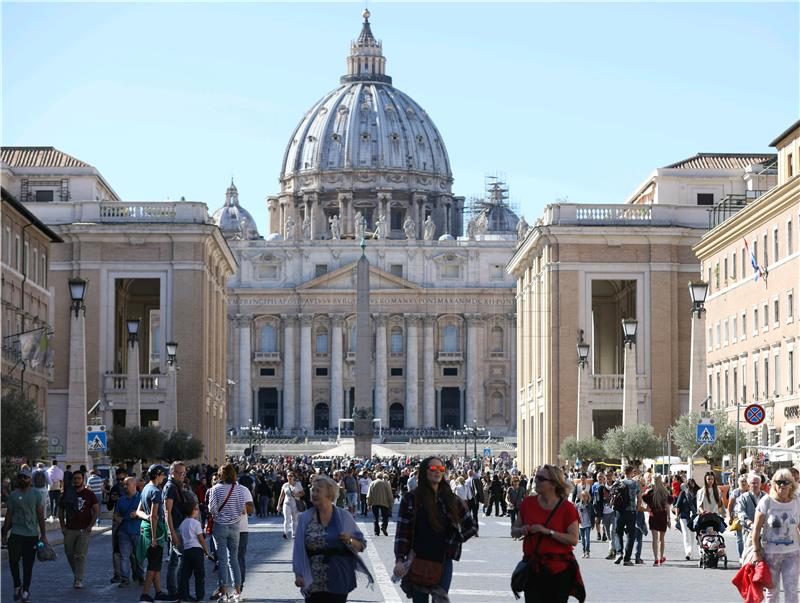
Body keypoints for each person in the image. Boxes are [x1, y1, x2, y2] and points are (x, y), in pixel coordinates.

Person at [393, 456, 477, 603]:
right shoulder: (410, 498)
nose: (438, 472)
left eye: (441, 469)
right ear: (424, 472)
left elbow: (471, 526)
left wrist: (455, 538)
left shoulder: (451, 499)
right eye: (433, 468)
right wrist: (400, 559)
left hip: (443, 561)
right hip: (418, 560)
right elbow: (402, 533)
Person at [293, 475, 374, 602]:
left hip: (339, 578)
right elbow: (298, 548)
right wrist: (298, 574)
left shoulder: (344, 516)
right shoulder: (305, 518)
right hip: (314, 580)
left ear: (329, 494)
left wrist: (350, 540)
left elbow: (361, 545)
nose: (313, 493)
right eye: (312, 490)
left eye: (318, 490)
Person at [511, 464, 584, 603]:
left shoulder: (567, 508)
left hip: (559, 571)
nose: (536, 480)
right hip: (533, 569)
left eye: (540, 478)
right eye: (536, 477)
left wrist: (547, 532)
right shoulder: (528, 503)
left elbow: (573, 539)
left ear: (553, 484)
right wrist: (522, 530)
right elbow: (514, 531)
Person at [752, 468, 800, 603]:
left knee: (791, 591)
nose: (782, 485)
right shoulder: (766, 501)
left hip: (792, 553)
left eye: (785, 482)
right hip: (770, 554)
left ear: (792, 484)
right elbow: (755, 530)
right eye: (778, 482)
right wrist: (756, 552)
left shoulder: (797, 502)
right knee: (772, 592)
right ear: (773, 484)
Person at [2, 467, 48, 603]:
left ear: (30, 480)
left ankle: (26, 590)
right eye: (20, 477)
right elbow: (9, 515)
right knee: (13, 561)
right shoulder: (13, 495)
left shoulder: (36, 495)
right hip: (16, 534)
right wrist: (4, 533)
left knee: (28, 565)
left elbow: (40, 515)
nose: (23, 479)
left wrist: (43, 534)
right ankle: (17, 584)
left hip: (31, 535)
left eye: (25, 477)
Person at [207, 463, 248, 602]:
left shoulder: (215, 489)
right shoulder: (239, 489)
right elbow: (243, 509)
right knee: (234, 559)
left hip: (220, 526)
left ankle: (223, 591)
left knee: (222, 560)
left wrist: (219, 516)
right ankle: (237, 592)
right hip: (235, 526)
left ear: (220, 475)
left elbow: (212, 509)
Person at [59, 469, 99, 589]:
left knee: (80, 555)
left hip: (84, 530)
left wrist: (91, 525)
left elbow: (96, 510)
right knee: (69, 554)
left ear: (83, 480)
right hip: (70, 529)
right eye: (75, 478)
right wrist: (62, 527)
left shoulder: (89, 494)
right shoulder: (67, 493)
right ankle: (77, 574)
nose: (77, 480)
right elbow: (61, 511)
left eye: (79, 478)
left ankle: (78, 579)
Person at [136, 464, 169, 603]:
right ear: (157, 475)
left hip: (145, 529)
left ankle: (159, 592)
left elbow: (139, 511)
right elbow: (154, 516)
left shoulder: (145, 489)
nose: (164, 477)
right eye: (163, 475)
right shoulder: (155, 491)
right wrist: (155, 538)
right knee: (153, 566)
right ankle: (144, 594)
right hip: (154, 532)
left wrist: (147, 517)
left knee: (155, 564)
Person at [163, 461, 189, 602]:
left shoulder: (176, 486)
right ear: (172, 472)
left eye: (184, 473)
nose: (182, 476)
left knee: (174, 561)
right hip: (176, 529)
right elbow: (167, 512)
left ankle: (174, 591)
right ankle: (179, 592)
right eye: (179, 473)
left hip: (180, 527)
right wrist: (171, 533)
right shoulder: (171, 487)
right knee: (182, 561)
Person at [177, 502, 211, 603]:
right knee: (199, 575)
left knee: (185, 575)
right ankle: (199, 597)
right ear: (192, 511)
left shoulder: (182, 523)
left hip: (186, 551)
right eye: (196, 509)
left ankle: (185, 596)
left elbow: (181, 540)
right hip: (197, 550)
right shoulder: (196, 523)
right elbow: (201, 539)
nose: (197, 511)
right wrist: (207, 550)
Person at [115, 476, 143, 588]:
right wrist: (117, 518)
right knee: (124, 556)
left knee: (139, 556)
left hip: (137, 531)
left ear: (134, 485)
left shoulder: (141, 498)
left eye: (127, 484)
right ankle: (125, 579)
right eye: (124, 485)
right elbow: (116, 514)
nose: (125, 487)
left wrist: (138, 514)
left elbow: (148, 512)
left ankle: (141, 576)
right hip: (124, 531)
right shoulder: (121, 500)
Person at [614, 465, 643, 566]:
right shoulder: (635, 484)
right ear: (632, 472)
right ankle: (627, 559)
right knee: (631, 535)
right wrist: (637, 509)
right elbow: (639, 499)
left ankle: (619, 552)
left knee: (618, 532)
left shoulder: (618, 482)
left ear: (624, 472)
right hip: (631, 512)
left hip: (619, 512)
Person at [642, 474, 672, 565]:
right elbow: (667, 507)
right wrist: (669, 519)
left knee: (654, 539)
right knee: (661, 539)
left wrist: (649, 510)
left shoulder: (650, 492)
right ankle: (661, 557)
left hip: (653, 515)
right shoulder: (665, 492)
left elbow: (647, 506)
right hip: (662, 515)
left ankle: (655, 559)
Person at [737, 474, 765, 548]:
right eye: (753, 483)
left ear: (760, 484)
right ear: (749, 484)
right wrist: (748, 522)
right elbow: (740, 512)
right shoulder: (744, 497)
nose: (755, 485)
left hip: (764, 530)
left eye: (757, 483)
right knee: (749, 552)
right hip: (749, 530)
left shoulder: (766, 497)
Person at [674, 477, 699, 560]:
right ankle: (688, 552)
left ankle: (691, 552)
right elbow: (678, 505)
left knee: (692, 535)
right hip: (684, 516)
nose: (691, 484)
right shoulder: (683, 493)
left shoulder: (697, 493)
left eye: (693, 482)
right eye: (690, 483)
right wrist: (677, 516)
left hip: (693, 517)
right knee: (686, 534)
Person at [728, 474, 751, 557]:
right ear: (738, 482)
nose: (744, 483)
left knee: (749, 537)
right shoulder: (736, 492)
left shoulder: (750, 491)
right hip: (738, 517)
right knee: (740, 538)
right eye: (742, 481)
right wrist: (730, 517)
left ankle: (748, 554)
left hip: (749, 517)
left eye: (745, 481)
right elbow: (730, 505)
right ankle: (741, 555)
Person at [367, 472, 393, 536]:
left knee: (375, 517)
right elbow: (389, 494)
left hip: (374, 502)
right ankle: (383, 526)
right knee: (385, 517)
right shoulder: (386, 483)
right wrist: (391, 503)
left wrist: (368, 504)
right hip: (384, 502)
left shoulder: (372, 483)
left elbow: (369, 495)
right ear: (382, 477)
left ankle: (376, 532)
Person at [575, 491, 592, 558]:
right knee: (582, 539)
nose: (584, 497)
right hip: (580, 524)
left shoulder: (590, 505)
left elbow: (593, 515)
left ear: (588, 497)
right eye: (582, 496)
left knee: (587, 538)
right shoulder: (577, 505)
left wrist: (593, 523)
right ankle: (584, 552)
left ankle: (587, 552)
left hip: (588, 524)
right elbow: (574, 515)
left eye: (585, 496)